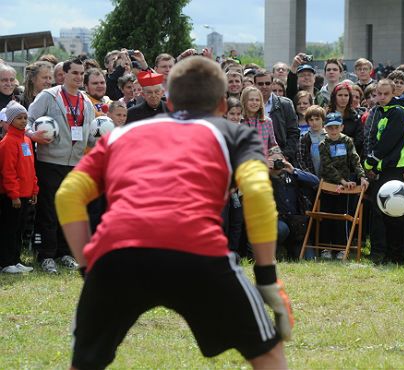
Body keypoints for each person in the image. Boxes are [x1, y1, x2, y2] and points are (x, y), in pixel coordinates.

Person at [54, 55, 292, 369]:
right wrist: (266, 278)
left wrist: (90, 269)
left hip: (118, 253)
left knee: (84, 364)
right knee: (268, 354)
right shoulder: (235, 134)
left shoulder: (120, 136)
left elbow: (68, 194)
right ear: (223, 106)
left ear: (169, 102)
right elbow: (259, 193)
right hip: (197, 251)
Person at [26, 56, 96, 274]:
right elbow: (28, 120)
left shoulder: (86, 101)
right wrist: (33, 135)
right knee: (48, 210)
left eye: (81, 73)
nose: (78, 77)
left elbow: (91, 133)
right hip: (49, 162)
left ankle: (65, 252)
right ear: (63, 75)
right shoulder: (49, 96)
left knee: (69, 210)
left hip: (76, 164)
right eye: (74, 73)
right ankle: (46, 255)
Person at [364, 79, 404, 264]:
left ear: (394, 93)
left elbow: (388, 141)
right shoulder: (380, 112)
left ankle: (397, 256)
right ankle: (385, 253)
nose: (382, 97)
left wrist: (371, 161)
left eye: (386, 94)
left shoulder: (398, 112)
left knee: (396, 214)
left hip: (396, 170)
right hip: (383, 170)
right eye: (379, 94)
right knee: (383, 213)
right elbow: (373, 137)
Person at [319, 112, 368, 259]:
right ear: (325, 128)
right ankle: (325, 248)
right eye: (330, 128)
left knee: (343, 217)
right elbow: (327, 166)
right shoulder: (323, 144)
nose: (333, 131)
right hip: (329, 184)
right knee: (326, 217)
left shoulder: (347, 141)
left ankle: (342, 248)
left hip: (346, 187)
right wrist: (342, 181)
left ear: (341, 127)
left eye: (336, 127)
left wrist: (362, 177)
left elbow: (355, 159)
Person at [0, 101, 37, 273]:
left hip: (26, 193)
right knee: (10, 228)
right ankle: (6, 262)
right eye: (19, 118)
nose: (23, 121)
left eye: (25, 118)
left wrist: (34, 189)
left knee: (19, 229)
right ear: (10, 120)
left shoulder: (27, 140)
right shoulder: (7, 143)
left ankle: (15, 260)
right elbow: (8, 171)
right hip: (13, 196)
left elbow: (30, 167)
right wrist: (13, 194)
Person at [268, 146, 319, 260]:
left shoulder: (292, 174)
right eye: (273, 161)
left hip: (296, 225)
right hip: (277, 222)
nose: (277, 163)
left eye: (279, 160)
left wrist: (294, 170)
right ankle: (276, 251)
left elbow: (315, 181)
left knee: (309, 259)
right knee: (281, 230)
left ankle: (290, 251)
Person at [254, 70, 300, 164]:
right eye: (260, 84)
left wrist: (284, 156)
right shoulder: (248, 105)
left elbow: (293, 132)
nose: (264, 86)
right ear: (254, 85)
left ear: (272, 84)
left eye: (267, 83)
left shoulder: (285, 104)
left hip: (281, 159)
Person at [328, 82, 363, 157]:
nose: (343, 98)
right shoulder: (327, 115)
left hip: (350, 157)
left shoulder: (355, 117)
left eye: (346, 95)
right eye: (340, 95)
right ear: (334, 97)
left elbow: (359, 141)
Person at [241, 86, 278, 158]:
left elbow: (273, 145)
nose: (254, 102)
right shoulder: (239, 121)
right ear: (244, 101)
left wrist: (276, 156)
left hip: (263, 164)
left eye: (257, 100)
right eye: (251, 100)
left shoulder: (267, 121)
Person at [298, 104, 326, 176]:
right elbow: (301, 160)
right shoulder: (304, 138)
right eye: (311, 120)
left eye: (317, 119)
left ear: (322, 119)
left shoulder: (329, 136)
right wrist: (311, 177)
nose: (314, 123)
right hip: (311, 178)